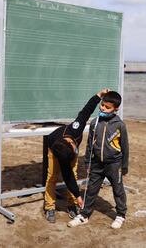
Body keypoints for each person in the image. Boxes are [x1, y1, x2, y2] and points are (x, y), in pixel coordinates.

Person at [44, 88, 110, 223]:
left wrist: (99, 95)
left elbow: (87, 110)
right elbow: (66, 175)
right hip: (53, 147)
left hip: (63, 147)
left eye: (75, 150)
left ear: (71, 143)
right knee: (52, 176)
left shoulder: (76, 127)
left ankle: (72, 204)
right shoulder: (62, 153)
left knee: (73, 174)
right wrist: (80, 196)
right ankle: (49, 207)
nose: (76, 151)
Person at [68, 91, 129, 229]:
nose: (103, 108)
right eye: (102, 105)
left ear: (115, 109)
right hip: (96, 164)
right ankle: (84, 215)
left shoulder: (120, 125)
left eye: (107, 107)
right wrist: (88, 162)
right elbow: (90, 143)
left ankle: (121, 215)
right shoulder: (95, 122)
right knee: (91, 190)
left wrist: (124, 166)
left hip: (114, 164)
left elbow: (125, 147)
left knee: (118, 190)